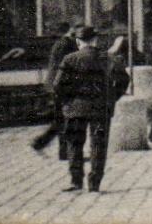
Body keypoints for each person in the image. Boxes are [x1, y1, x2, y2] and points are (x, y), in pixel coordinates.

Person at [54, 25, 128, 194]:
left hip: (75, 109)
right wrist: (112, 97)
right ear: (95, 40)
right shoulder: (108, 58)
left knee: (74, 143)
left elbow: (57, 85)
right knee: (98, 145)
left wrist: (69, 100)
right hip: (100, 108)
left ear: (78, 42)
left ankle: (76, 181)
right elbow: (124, 79)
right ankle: (94, 183)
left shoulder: (69, 59)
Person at [31, 22, 77, 158]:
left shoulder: (62, 43)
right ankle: (49, 146)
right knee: (63, 119)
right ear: (71, 31)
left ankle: (43, 144)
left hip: (57, 85)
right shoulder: (66, 44)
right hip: (60, 86)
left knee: (61, 119)